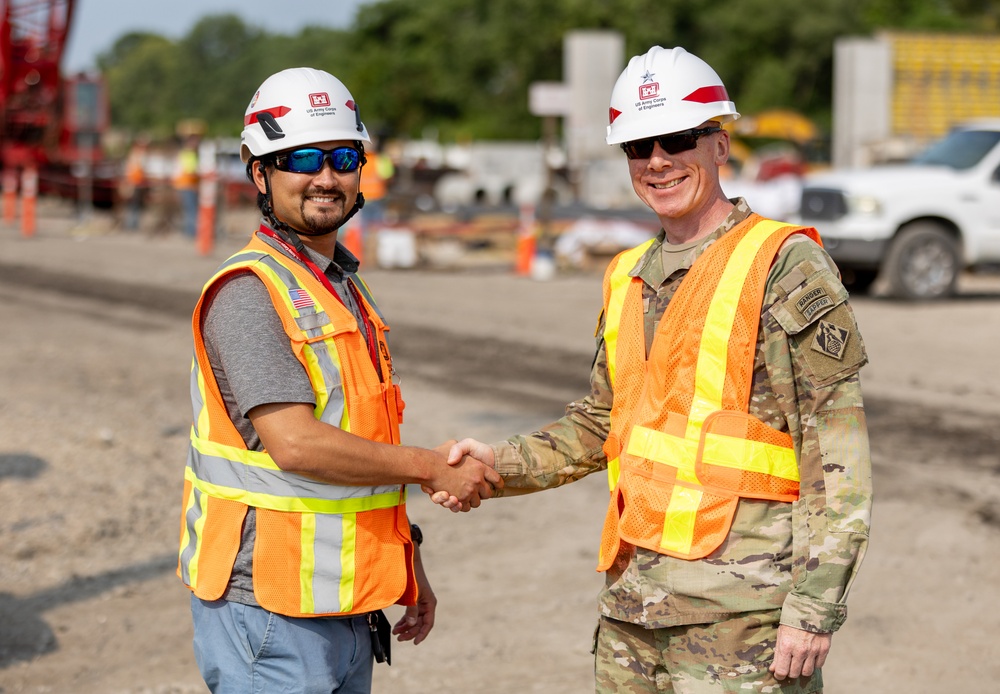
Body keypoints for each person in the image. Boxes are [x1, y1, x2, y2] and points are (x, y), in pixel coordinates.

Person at [437, 46, 871, 693]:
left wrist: (813, 607)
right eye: (640, 147)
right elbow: (600, 424)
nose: (658, 161)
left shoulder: (784, 263)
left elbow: (834, 449)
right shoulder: (627, 274)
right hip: (633, 611)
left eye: (676, 139)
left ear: (718, 145)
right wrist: (497, 464)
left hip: (742, 619)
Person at [176, 67, 501, 694]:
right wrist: (432, 468)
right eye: (300, 157)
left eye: (343, 156)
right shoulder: (250, 291)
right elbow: (296, 444)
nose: (326, 177)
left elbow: (361, 442)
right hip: (269, 609)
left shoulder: (340, 285)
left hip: (344, 599)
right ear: (258, 171)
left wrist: (409, 562)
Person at [173, 133, 200, 238]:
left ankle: (189, 232)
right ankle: (190, 233)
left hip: (184, 185)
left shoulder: (185, 153)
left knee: (188, 210)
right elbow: (190, 171)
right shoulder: (189, 154)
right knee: (191, 210)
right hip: (187, 185)